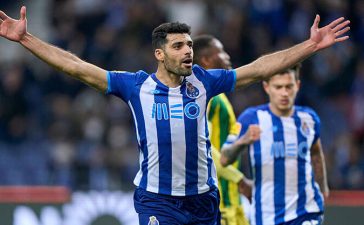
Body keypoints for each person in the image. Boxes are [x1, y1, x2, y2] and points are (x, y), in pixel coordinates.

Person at [0, 6, 348, 225]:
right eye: (179, 46)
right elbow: (77, 67)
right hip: (158, 200)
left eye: (190, 45)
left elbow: (257, 70)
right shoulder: (135, 86)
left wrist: (311, 46)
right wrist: (26, 39)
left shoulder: (205, 82)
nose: (188, 52)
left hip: (203, 199)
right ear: (159, 54)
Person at [220, 65, 330, 225]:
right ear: (266, 87)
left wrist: (323, 187)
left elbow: (316, 153)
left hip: (306, 212)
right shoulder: (250, 118)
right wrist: (243, 141)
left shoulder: (309, 118)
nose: (284, 93)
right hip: (266, 216)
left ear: (297, 86)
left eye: (289, 86)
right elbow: (224, 158)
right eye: (278, 87)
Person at [193, 34, 250, 225]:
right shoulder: (207, 97)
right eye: (221, 52)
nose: (227, 56)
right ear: (206, 60)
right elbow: (202, 146)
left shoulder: (219, 96)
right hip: (219, 204)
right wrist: (239, 179)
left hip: (231, 200)